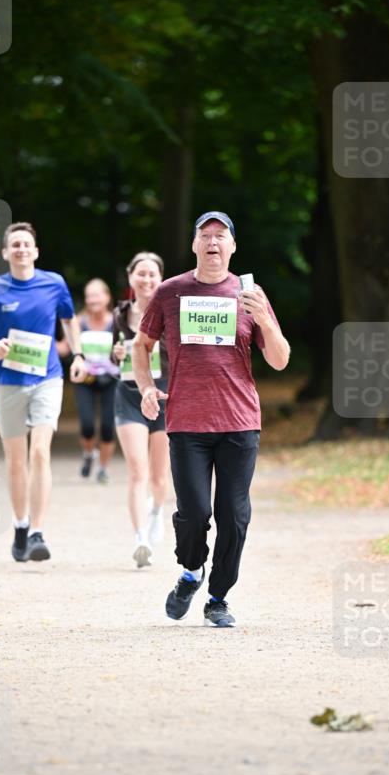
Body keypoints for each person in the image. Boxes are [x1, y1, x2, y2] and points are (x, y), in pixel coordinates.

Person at [132, 211, 290, 627]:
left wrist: (265, 320)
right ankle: (190, 571)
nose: (213, 243)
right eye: (206, 236)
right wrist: (147, 387)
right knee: (194, 513)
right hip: (186, 421)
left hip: (240, 421)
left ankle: (217, 597)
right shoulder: (170, 292)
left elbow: (278, 359)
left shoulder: (249, 293)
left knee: (235, 517)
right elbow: (141, 345)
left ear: (233, 246)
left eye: (222, 236)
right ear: (194, 245)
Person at [0, 222, 84, 561]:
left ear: (36, 251)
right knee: (17, 460)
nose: (21, 250)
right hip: (7, 381)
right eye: (15, 245)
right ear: (5, 253)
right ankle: (20, 524)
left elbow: (69, 320)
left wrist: (79, 355)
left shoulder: (54, 283)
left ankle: (38, 532)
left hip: (47, 378)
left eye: (26, 244)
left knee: (40, 453)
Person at [111, 252, 170, 568]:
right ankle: (140, 539)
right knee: (137, 470)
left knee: (159, 478)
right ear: (130, 277)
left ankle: (157, 511)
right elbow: (111, 356)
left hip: (164, 397)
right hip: (129, 395)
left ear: (161, 278)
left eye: (153, 275)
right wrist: (116, 352)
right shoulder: (119, 314)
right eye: (141, 274)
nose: (147, 280)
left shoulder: (170, 312)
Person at [57, 278, 118, 483]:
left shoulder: (116, 321)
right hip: (85, 379)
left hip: (112, 380)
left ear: (107, 297)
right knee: (87, 425)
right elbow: (65, 348)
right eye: (89, 296)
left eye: (97, 294)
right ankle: (88, 453)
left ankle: (103, 468)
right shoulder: (79, 322)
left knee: (108, 427)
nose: (93, 299)